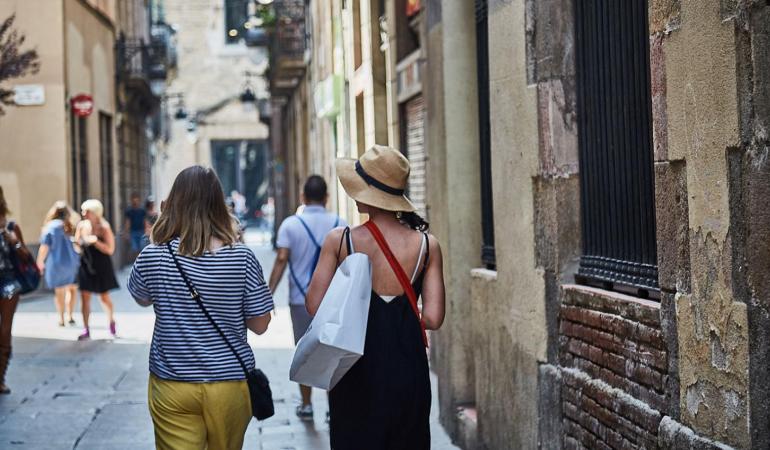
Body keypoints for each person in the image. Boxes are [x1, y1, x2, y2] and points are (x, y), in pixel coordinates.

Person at [305, 146, 446, 449]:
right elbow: (433, 318)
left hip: (354, 367)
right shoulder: (426, 245)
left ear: (367, 194)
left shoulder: (340, 240)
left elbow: (314, 305)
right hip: (409, 369)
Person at [127, 166, 273, 450]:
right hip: (229, 384)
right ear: (219, 205)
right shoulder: (242, 257)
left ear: (173, 204)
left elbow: (141, 297)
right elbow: (260, 324)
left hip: (172, 383)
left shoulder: (153, 255)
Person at [268, 175, 346, 421]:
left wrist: (268, 294)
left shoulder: (291, 225)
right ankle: (334, 407)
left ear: (303, 197)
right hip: (332, 301)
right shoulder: (339, 223)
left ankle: (306, 403)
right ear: (326, 198)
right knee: (333, 351)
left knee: (303, 351)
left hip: (300, 300)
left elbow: (281, 259)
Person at [75, 199, 119, 340]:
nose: (84, 214)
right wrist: (79, 243)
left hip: (101, 265)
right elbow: (76, 246)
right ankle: (86, 328)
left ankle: (111, 321)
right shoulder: (81, 226)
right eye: (83, 211)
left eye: (86, 211)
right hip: (86, 264)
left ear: (95, 213)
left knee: (104, 297)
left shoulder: (104, 227)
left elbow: (111, 249)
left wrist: (96, 242)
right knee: (84, 297)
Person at [36, 201, 80, 327]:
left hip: (56, 264)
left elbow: (44, 247)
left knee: (59, 291)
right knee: (72, 290)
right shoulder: (72, 225)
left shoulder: (50, 227)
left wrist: (40, 261)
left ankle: (61, 318)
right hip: (72, 263)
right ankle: (70, 315)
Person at [0, 186, 25, 394]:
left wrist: (14, 243)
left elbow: (26, 256)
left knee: (4, 332)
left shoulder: (10, 226)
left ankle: (0, 377)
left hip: (8, 284)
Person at [124, 193, 147, 259]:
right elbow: (128, 222)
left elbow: (144, 221)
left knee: (142, 247)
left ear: (139, 200)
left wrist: (146, 231)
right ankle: (137, 261)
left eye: (136, 200)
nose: (135, 202)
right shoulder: (129, 211)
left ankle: (141, 261)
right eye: (134, 200)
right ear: (131, 200)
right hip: (133, 232)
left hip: (141, 231)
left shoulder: (142, 210)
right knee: (135, 249)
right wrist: (126, 233)